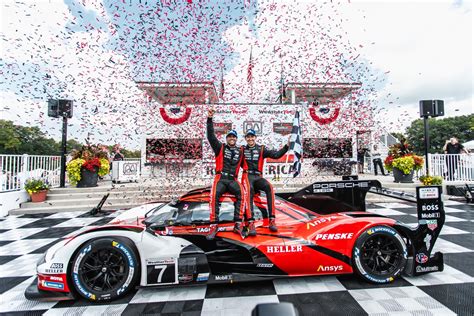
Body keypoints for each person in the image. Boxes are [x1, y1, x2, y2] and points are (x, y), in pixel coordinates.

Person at [207, 107, 246, 240]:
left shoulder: (241, 151)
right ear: (227, 138)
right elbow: (210, 136)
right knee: (213, 196)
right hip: (221, 178)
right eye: (229, 136)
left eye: (233, 137)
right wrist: (209, 119)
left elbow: (251, 163)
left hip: (233, 180)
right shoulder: (220, 147)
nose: (231, 138)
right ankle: (214, 226)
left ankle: (238, 224)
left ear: (236, 139)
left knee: (242, 193)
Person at [242, 129, 289, 234]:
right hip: (247, 176)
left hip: (258, 176)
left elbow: (276, 155)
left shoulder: (261, 149)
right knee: (249, 190)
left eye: (252, 136)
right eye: (248, 137)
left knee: (269, 187)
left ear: (255, 137)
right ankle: (250, 222)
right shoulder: (242, 149)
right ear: (245, 138)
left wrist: (287, 147)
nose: (250, 138)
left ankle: (272, 220)